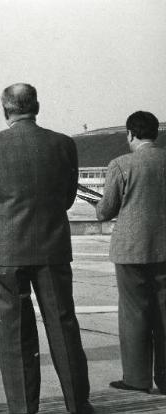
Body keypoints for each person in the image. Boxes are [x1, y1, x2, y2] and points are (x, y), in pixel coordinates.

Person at [0, 83, 92, 414]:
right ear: (37, 106)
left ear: (5, 108)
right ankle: (78, 403)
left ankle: (24, 409)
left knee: (14, 329)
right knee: (63, 322)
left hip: (7, 250)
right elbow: (68, 195)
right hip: (52, 247)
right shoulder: (64, 144)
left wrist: (3, 221)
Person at [96, 111, 166, 395]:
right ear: (155, 134)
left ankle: (137, 379)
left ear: (130, 134)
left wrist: (98, 207)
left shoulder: (121, 164)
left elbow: (105, 211)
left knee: (134, 313)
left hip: (131, 250)